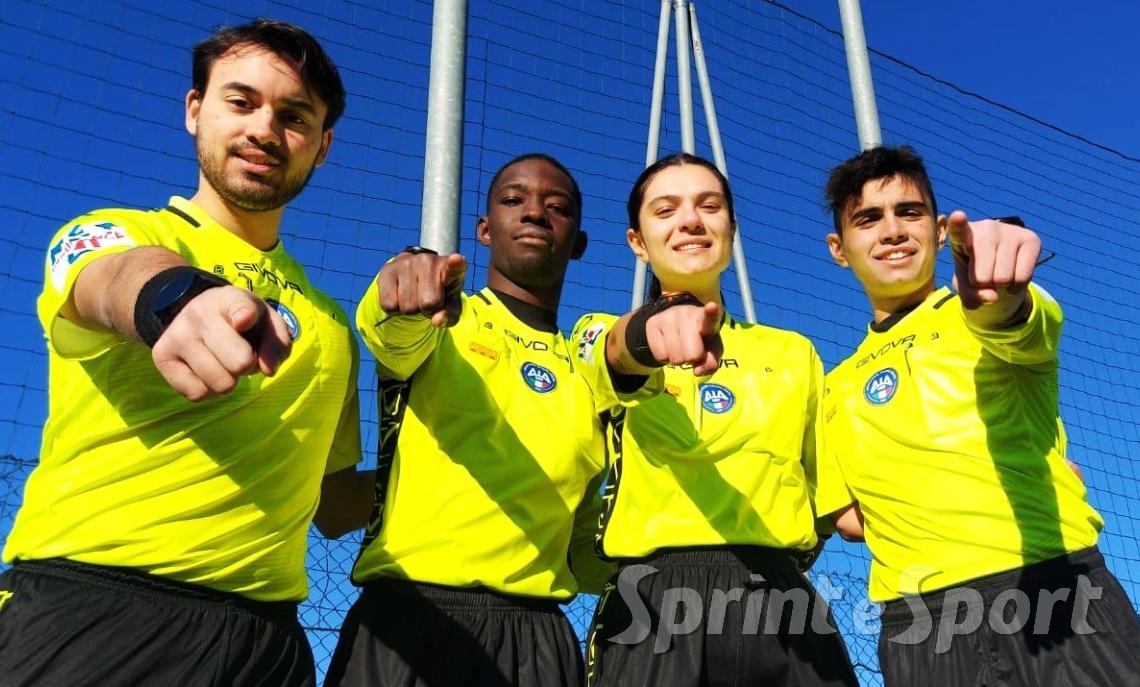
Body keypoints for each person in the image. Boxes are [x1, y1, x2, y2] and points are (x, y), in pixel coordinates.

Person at [0, 20, 362, 687]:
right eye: (241, 101)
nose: (263, 129)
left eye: (293, 117)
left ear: (322, 146)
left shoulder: (335, 326)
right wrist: (172, 295)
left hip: (268, 643)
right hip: (95, 612)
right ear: (195, 110)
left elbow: (336, 503)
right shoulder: (122, 234)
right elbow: (109, 277)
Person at [820, 145, 1140, 686]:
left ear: (942, 230)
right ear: (839, 248)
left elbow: (1015, 321)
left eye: (910, 212)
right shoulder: (834, 387)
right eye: (868, 219)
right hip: (923, 625)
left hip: (1054, 589)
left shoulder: (979, 309)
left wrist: (1001, 297)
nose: (892, 229)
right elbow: (848, 516)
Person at [325, 153, 645, 687]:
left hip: (537, 642)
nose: (534, 213)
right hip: (410, 617)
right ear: (484, 230)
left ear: (580, 242)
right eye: (513, 200)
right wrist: (401, 289)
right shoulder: (444, 317)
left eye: (557, 206)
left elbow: (587, 551)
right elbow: (387, 329)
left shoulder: (587, 373)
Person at [577, 153, 859, 687]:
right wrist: (648, 334)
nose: (690, 220)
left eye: (710, 205)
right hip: (653, 602)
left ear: (731, 229)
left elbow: (839, 505)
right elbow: (614, 353)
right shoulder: (596, 332)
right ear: (637, 241)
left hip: (779, 598)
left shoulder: (794, 353)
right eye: (666, 209)